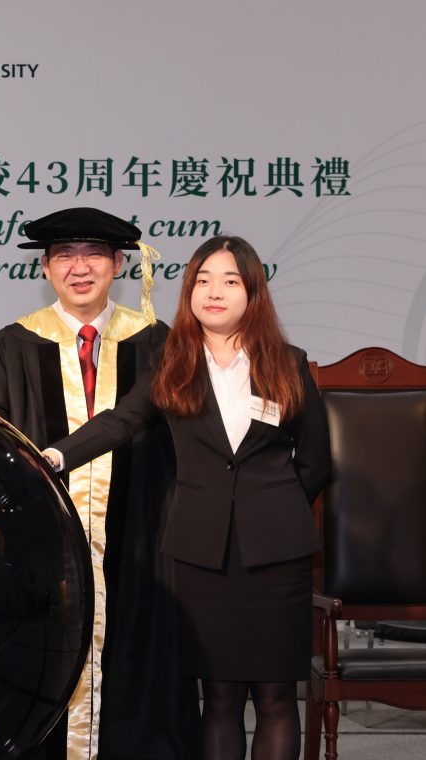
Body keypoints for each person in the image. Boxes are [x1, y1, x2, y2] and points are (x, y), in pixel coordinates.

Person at [45, 236, 331, 760]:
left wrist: (270, 504)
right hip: (202, 556)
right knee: (219, 698)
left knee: (274, 699)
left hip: (277, 559)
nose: (213, 293)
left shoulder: (288, 362)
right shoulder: (171, 361)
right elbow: (120, 421)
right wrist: (55, 457)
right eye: (202, 281)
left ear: (253, 293)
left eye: (228, 281)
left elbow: (315, 461)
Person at [0, 207, 198, 759]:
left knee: (143, 659)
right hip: (43, 544)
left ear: (118, 264)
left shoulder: (159, 342)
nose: (79, 267)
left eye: (93, 254)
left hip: (142, 535)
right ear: (45, 269)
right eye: (64, 256)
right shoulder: (10, 344)